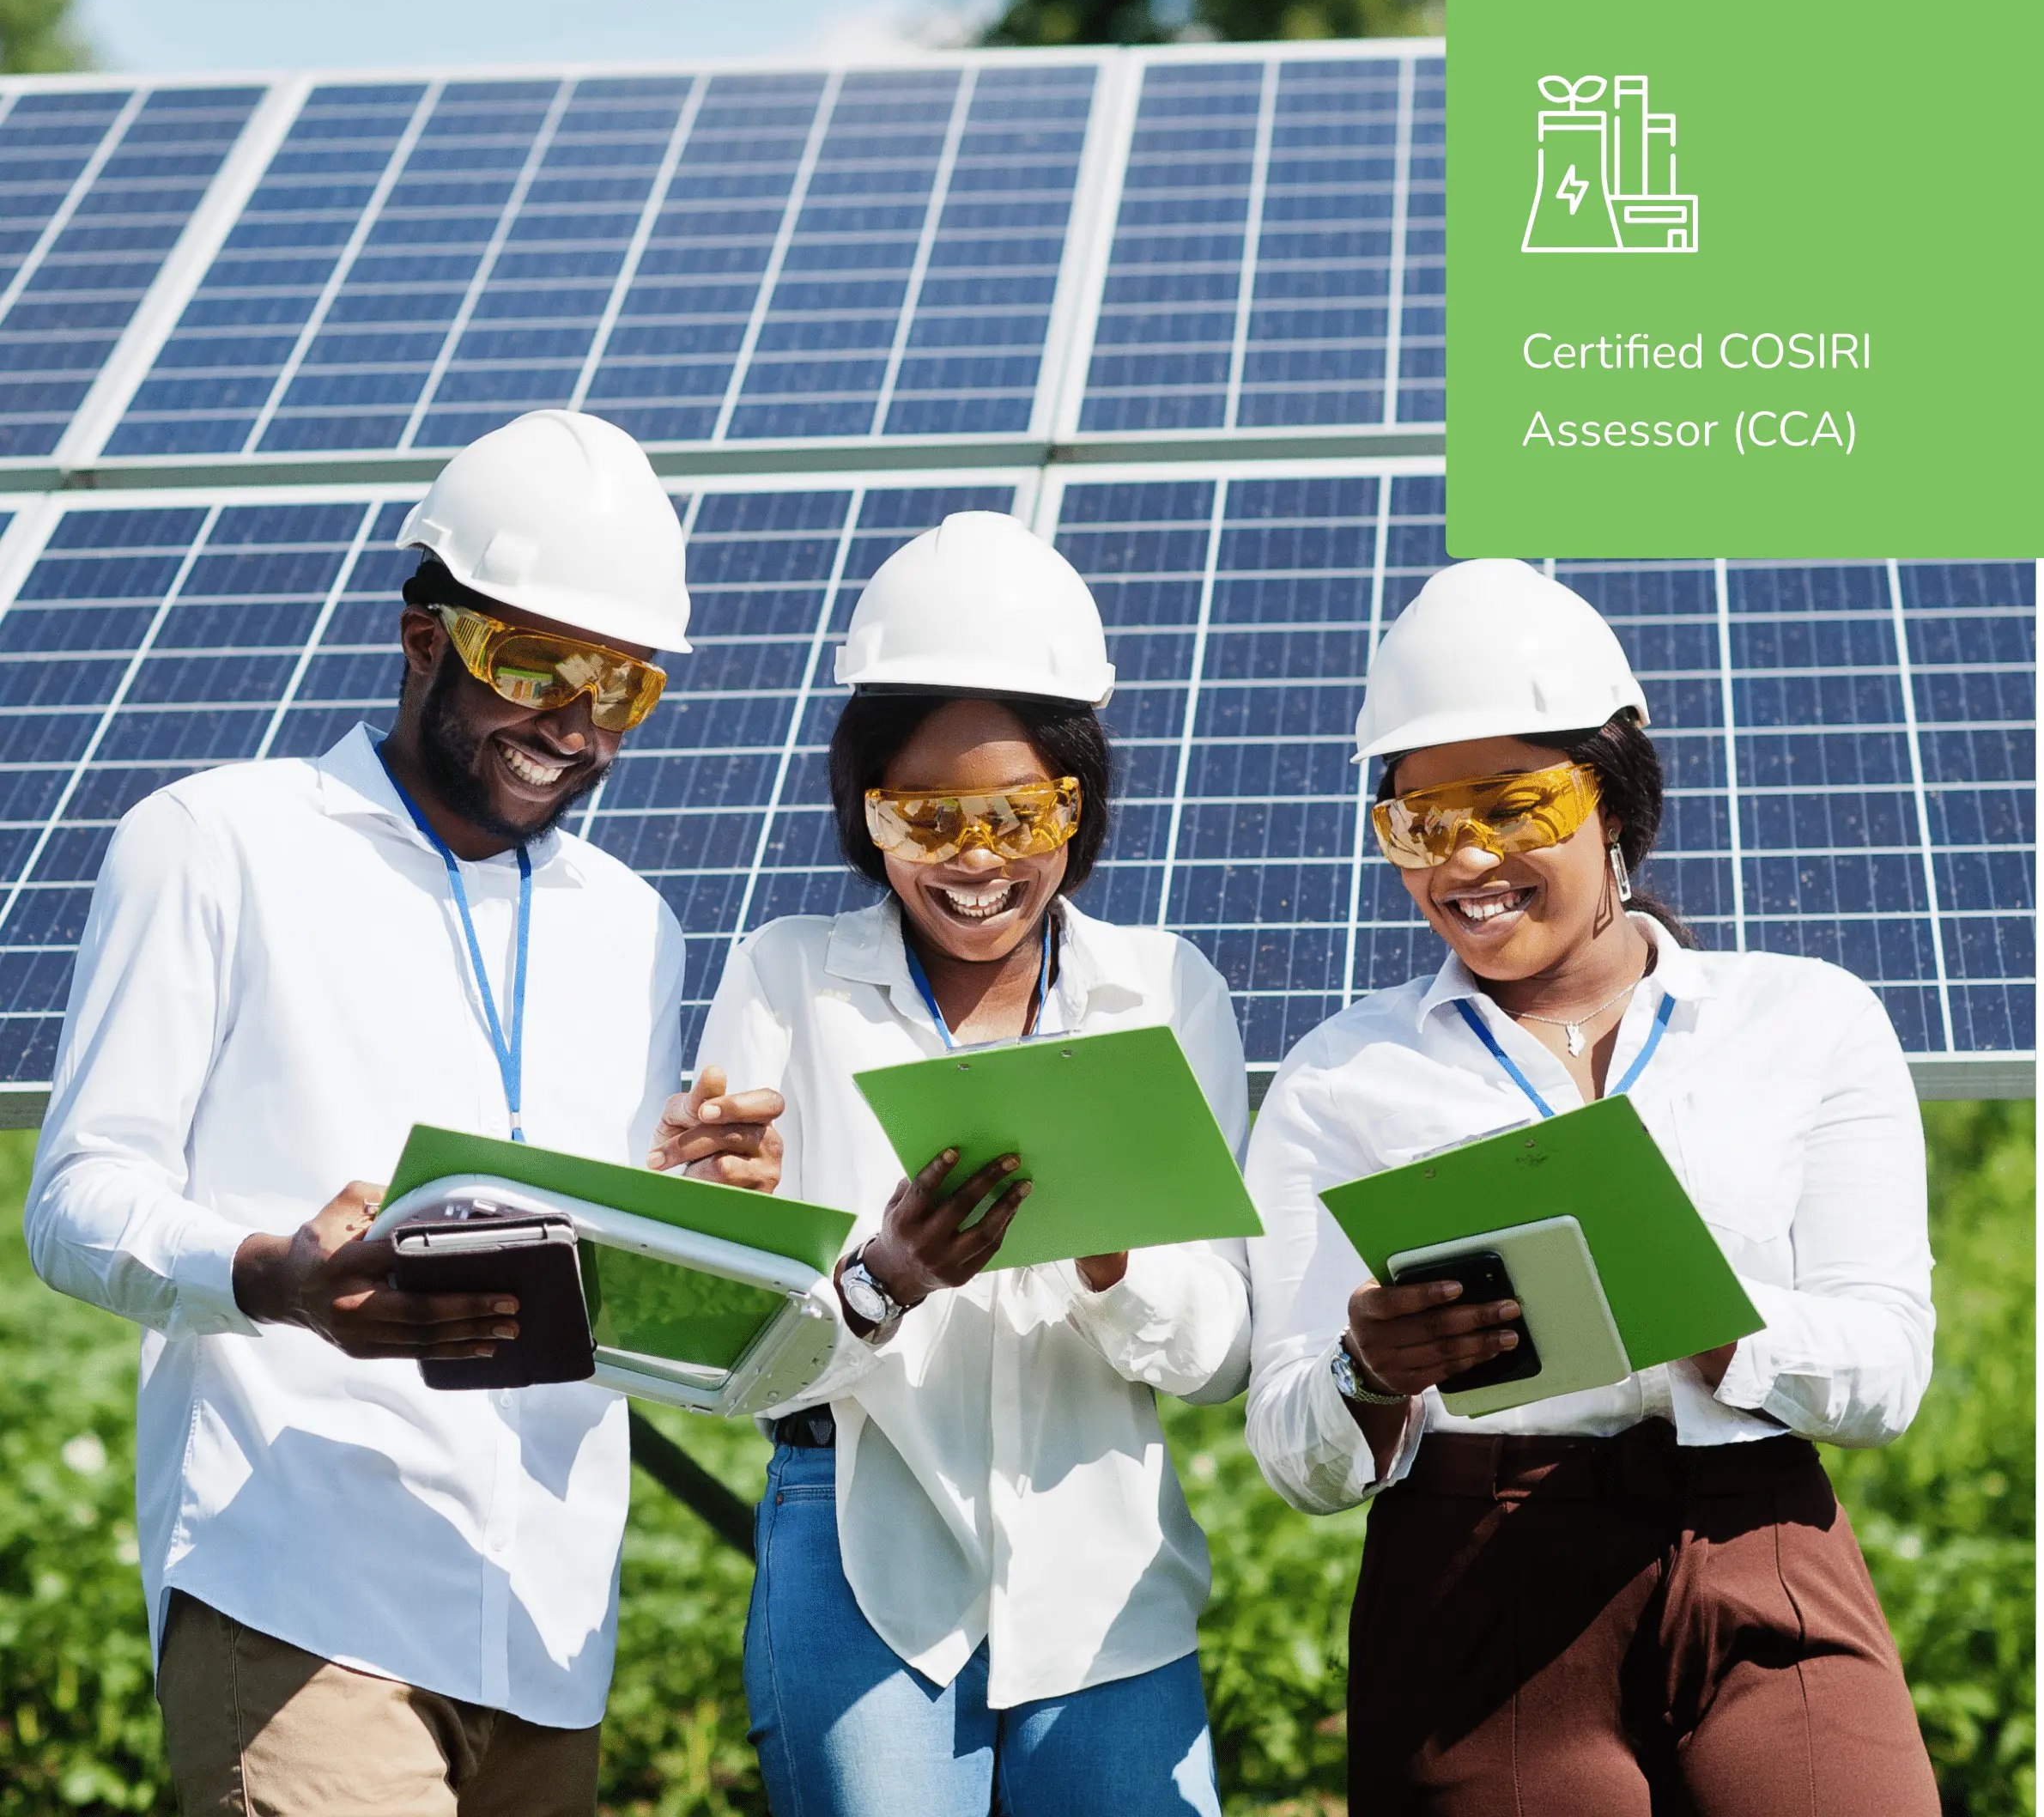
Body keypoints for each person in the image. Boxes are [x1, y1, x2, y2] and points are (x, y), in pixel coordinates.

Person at [25, 410, 763, 1816]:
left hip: (548, 1627)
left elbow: (597, 1280)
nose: (574, 722)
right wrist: (272, 1280)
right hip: (303, 1591)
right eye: (532, 663)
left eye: (621, 686)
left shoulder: (637, 926)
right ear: (424, 635)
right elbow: (76, 1200)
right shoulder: (215, 842)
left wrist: (709, 1220)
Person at [1242, 558, 1940, 1815]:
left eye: (1514, 806)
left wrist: (1719, 1324)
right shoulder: (1341, 1077)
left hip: (1760, 1540)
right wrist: (1369, 1375)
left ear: (1612, 801)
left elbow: (1888, 1371)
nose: (1469, 859)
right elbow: (1294, 1455)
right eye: (1421, 823)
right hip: (1476, 1580)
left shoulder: (1809, 1021)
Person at [650, 510, 1251, 1817]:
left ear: (1079, 802)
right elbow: (733, 1357)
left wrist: (1118, 1256)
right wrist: (880, 1278)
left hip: (1106, 1583)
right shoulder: (788, 978)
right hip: (853, 1537)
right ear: (866, 816)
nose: (975, 859)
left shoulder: (1160, 992)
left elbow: (1222, 1362)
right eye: (926, 816)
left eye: (1019, 811)